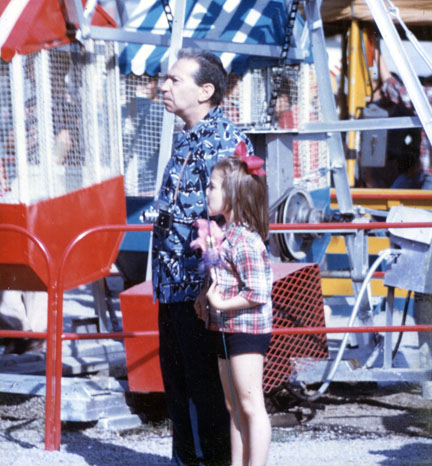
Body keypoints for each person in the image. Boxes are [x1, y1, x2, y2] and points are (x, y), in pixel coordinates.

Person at [152, 49, 255, 465]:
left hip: (204, 294)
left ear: (206, 90)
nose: (164, 86)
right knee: (178, 390)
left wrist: (210, 287)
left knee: (206, 395)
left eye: (175, 80)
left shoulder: (225, 142)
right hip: (172, 285)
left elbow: (237, 222)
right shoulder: (185, 137)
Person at [196, 152, 272, 466]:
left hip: (246, 329)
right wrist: (204, 295)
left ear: (232, 194)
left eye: (212, 187)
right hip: (226, 326)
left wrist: (222, 304)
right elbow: (222, 277)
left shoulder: (246, 241)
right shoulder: (225, 236)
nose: (207, 193)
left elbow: (257, 291)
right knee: (234, 405)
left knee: (251, 404)